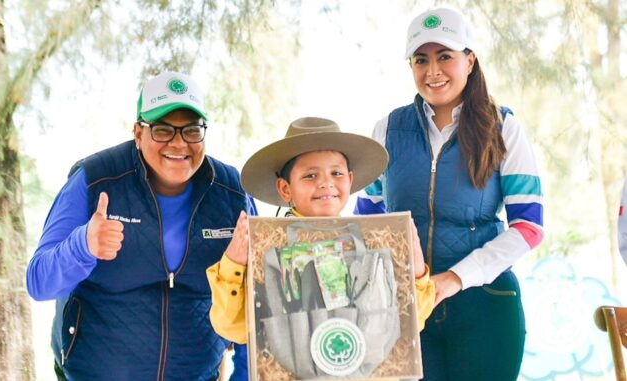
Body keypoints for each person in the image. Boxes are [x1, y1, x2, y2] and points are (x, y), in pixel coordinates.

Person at [355, 7, 544, 381]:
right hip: (406, 312)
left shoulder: (503, 127)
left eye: (445, 57)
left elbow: (529, 227)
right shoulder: (388, 129)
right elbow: (366, 220)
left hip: (486, 309)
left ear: (469, 61)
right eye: (421, 60)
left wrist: (455, 278)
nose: (433, 71)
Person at [26, 71, 253, 381]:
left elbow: (255, 302)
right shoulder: (94, 179)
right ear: (137, 132)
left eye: (191, 130)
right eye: (162, 130)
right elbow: (39, 283)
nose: (178, 143)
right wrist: (83, 246)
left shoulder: (232, 193)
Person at [206, 117, 436, 347]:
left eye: (336, 173)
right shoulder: (265, 250)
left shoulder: (372, 243)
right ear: (285, 189)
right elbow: (233, 328)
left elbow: (410, 323)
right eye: (310, 175)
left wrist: (414, 271)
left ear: (350, 179)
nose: (326, 183)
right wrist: (234, 264)